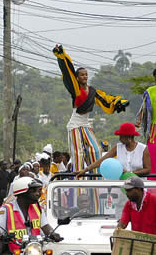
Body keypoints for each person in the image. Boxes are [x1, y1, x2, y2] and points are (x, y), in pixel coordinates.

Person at [53, 44, 129, 174]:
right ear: (77, 77)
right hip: (75, 125)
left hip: (86, 124)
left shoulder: (93, 91)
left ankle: (96, 178)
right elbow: (67, 72)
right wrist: (61, 56)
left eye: (86, 75)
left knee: (95, 150)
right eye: (82, 75)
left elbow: (106, 99)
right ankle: (78, 182)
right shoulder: (76, 90)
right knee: (79, 153)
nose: (84, 77)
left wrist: (117, 103)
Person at [76, 123, 151, 177]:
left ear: (129, 137)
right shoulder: (118, 147)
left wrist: (131, 173)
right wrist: (86, 169)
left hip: (139, 184)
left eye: (121, 136)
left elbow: (147, 169)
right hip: (122, 184)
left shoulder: (143, 149)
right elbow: (102, 160)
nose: (119, 139)